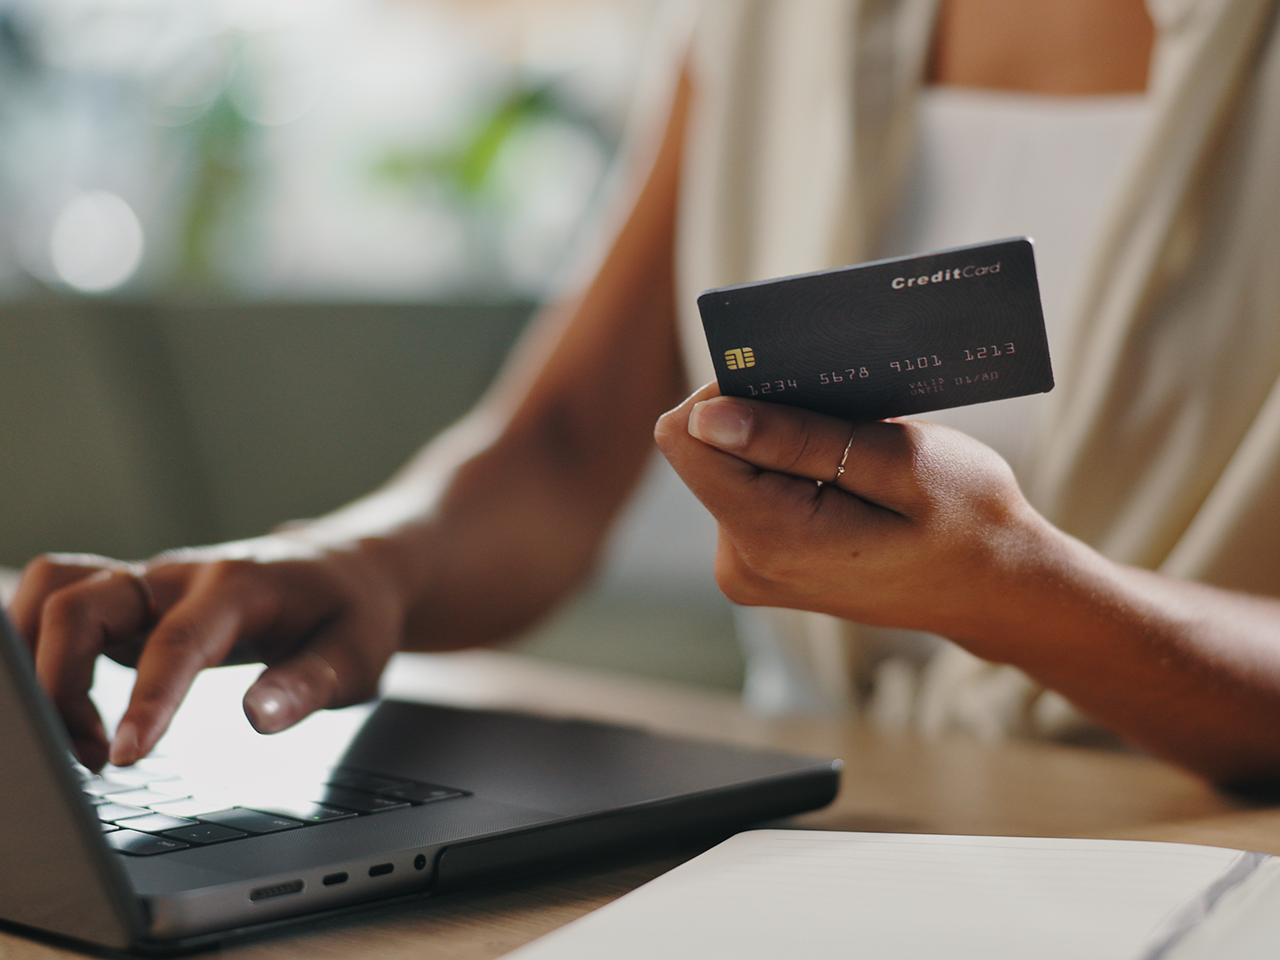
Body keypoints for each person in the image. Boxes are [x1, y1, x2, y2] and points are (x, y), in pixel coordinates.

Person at [11, 0, 1280, 787]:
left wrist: (1019, 593)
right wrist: (355, 563)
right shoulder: (760, 18)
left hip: (1184, 849)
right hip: (837, 813)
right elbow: (562, 448)